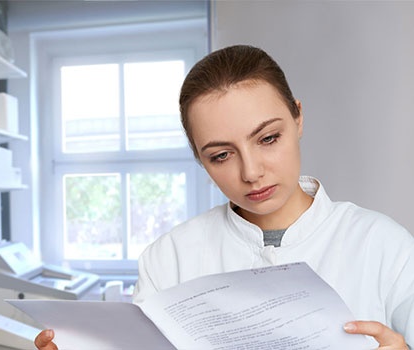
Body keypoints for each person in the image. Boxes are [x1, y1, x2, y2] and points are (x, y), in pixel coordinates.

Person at [35, 45, 413, 349]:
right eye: (220, 155)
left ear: (297, 118)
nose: (250, 172)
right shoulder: (169, 259)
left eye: (267, 138)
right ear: (199, 158)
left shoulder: (386, 248)